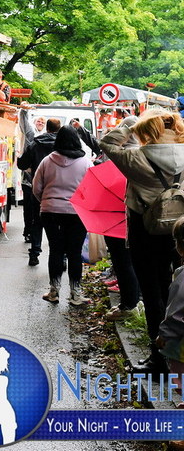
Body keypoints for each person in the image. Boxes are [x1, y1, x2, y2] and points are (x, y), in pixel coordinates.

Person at [100, 109, 184, 373]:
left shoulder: (135, 157)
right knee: (178, 291)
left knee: (152, 292)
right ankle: (178, 355)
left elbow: (107, 143)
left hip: (145, 232)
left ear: (146, 131)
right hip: (180, 231)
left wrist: (129, 123)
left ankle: (158, 359)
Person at [32, 125, 92, 306]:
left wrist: (47, 201)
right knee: (75, 252)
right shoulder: (86, 163)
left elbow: (36, 188)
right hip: (77, 213)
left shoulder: (47, 161)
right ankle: (75, 294)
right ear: (77, 140)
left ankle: (54, 291)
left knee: (56, 250)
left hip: (50, 212)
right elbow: (91, 189)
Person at [100, 115, 141, 321]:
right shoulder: (146, 155)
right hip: (141, 218)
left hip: (116, 218)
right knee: (138, 262)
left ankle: (128, 305)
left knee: (123, 262)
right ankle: (136, 301)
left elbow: (105, 142)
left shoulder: (119, 158)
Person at [17, 116, 62, 265]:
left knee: (37, 221)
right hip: (61, 190)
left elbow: (22, 165)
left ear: (47, 128)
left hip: (39, 189)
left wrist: (20, 158)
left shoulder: (35, 144)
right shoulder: (64, 145)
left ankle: (34, 254)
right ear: (59, 129)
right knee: (59, 225)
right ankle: (62, 256)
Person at [156, 215, 184, 401]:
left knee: (180, 376)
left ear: (180, 247)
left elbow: (177, 314)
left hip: (181, 345)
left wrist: (164, 335)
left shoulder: (182, 280)